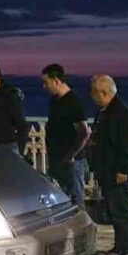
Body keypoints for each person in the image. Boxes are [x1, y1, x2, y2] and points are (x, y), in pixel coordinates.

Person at [87, 75, 128, 255]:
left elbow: (127, 144)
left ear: (103, 93)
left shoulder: (119, 112)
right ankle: (120, 247)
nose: (91, 97)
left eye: (93, 93)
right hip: (107, 169)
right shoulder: (106, 110)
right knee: (114, 209)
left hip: (117, 171)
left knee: (121, 209)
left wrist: (123, 169)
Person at [41, 64, 91, 208]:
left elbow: (84, 132)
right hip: (57, 157)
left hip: (70, 161)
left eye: (46, 82)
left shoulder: (73, 103)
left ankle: (80, 227)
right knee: (58, 198)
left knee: (75, 200)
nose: (44, 86)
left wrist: (70, 155)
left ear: (56, 81)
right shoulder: (55, 101)